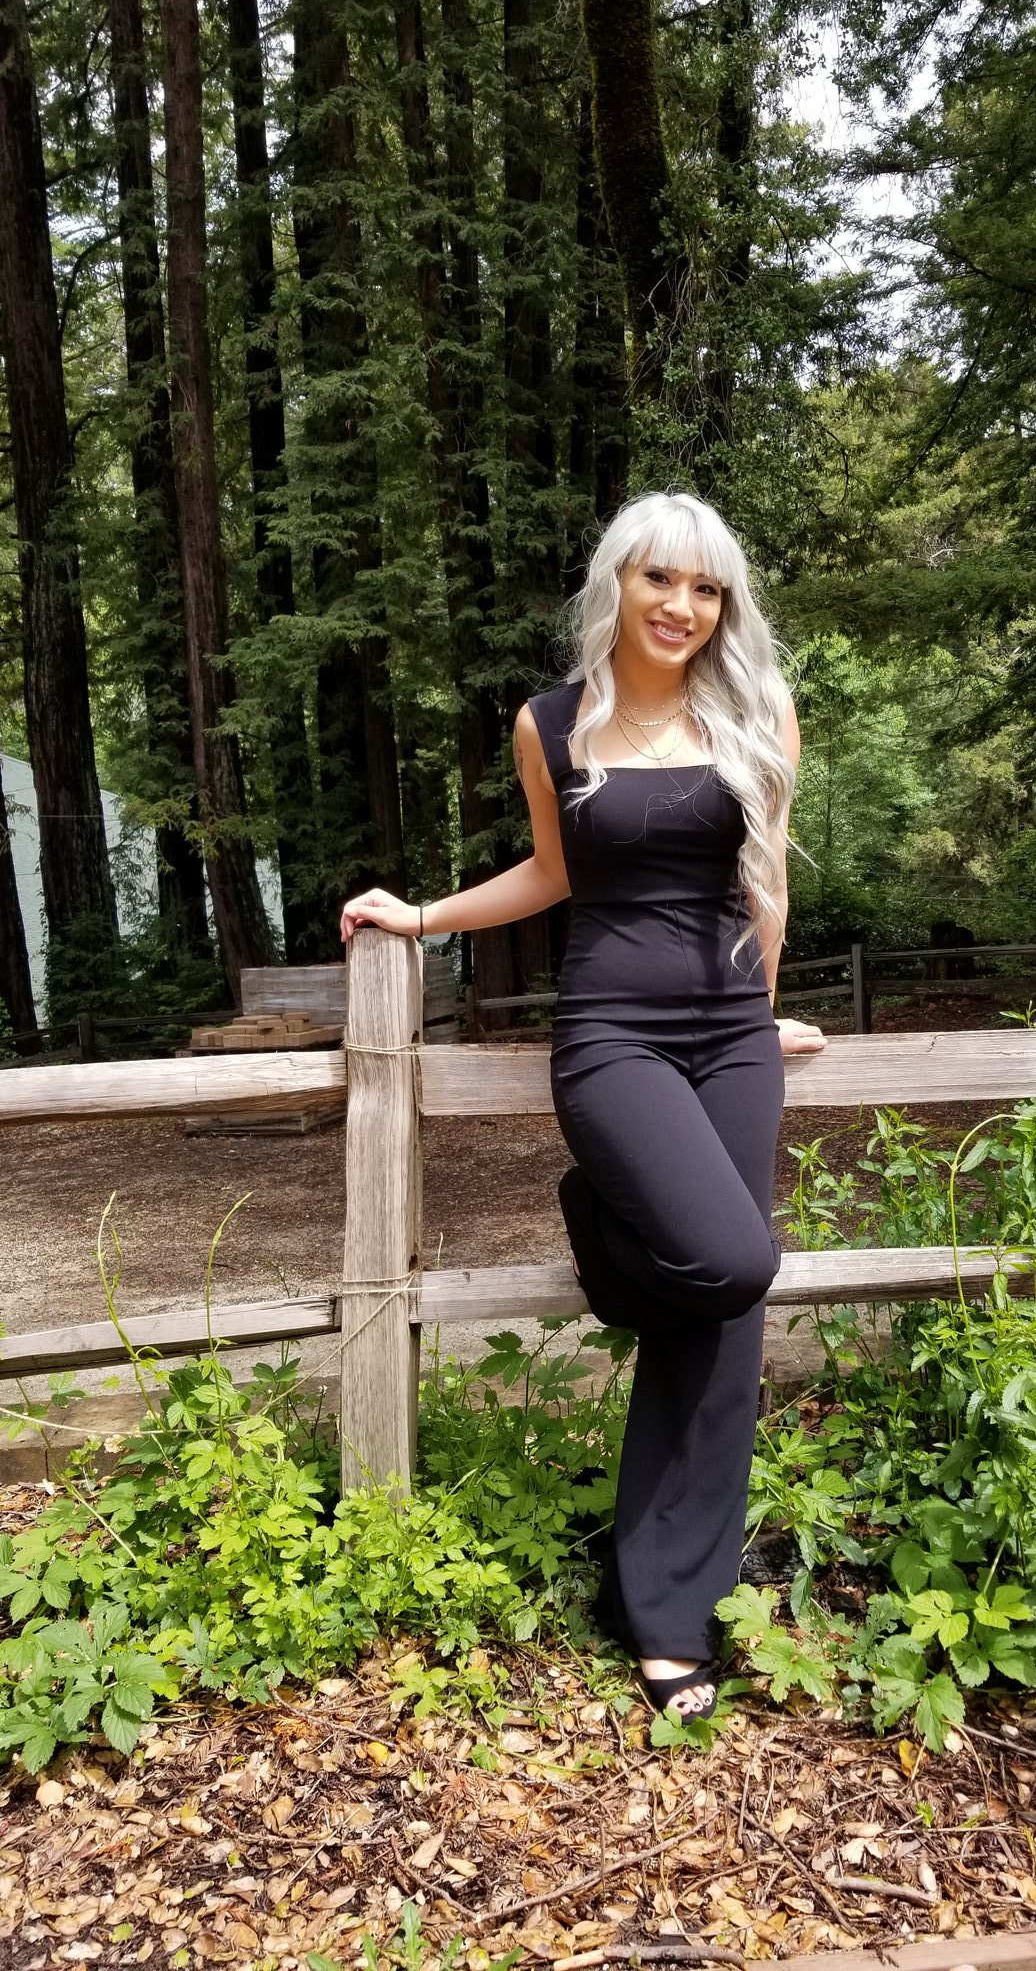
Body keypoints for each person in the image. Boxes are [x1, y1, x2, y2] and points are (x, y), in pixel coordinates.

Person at [341, 489, 826, 1720]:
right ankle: (604, 1216)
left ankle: (667, 1610)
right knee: (732, 1257)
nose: (683, 605)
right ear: (618, 582)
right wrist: (423, 915)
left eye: (707, 587)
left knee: (724, 1313)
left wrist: (764, 1011)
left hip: (731, 1032)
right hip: (614, 1032)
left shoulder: (758, 711)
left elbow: (763, 877)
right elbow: (554, 871)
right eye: (661, 578)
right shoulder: (551, 723)